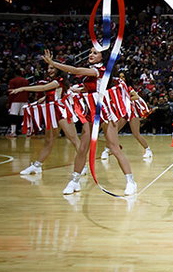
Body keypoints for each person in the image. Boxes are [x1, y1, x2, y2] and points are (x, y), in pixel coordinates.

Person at [43, 48, 138, 196]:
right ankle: (74, 181)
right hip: (91, 113)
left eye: (95, 53)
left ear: (102, 56)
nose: (90, 55)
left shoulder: (100, 70)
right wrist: (79, 90)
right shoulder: (92, 71)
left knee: (114, 147)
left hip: (104, 112)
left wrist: (53, 63)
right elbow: (93, 88)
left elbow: (74, 70)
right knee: (82, 148)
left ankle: (130, 181)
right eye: (90, 52)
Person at [10, 65, 80, 175]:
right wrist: (44, 98)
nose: (49, 70)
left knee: (74, 139)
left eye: (52, 68)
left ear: (58, 69)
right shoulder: (53, 81)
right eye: (48, 68)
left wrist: (23, 88)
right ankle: (37, 165)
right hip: (52, 113)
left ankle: (83, 165)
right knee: (49, 141)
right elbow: (53, 93)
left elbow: (43, 88)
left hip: (62, 112)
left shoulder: (59, 80)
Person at [102, 74, 153, 161]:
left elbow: (136, 96)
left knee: (136, 133)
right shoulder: (115, 89)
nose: (121, 78)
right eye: (120, 77)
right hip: (122, 113)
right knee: (113, 132)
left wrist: (125, 98)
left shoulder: (127, 88)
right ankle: (106, 150)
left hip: (132, 112)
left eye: (123, 77)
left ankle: (148, 150)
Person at [6, 68, 29, 138]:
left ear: (14, 74)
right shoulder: (26, 81)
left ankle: (13, 132)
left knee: (13, 116)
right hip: (24, 100)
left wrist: (9, 103)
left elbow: (11, 93)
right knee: (24, 117)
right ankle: (27, 131)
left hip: (15, 100)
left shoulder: (12, 81)